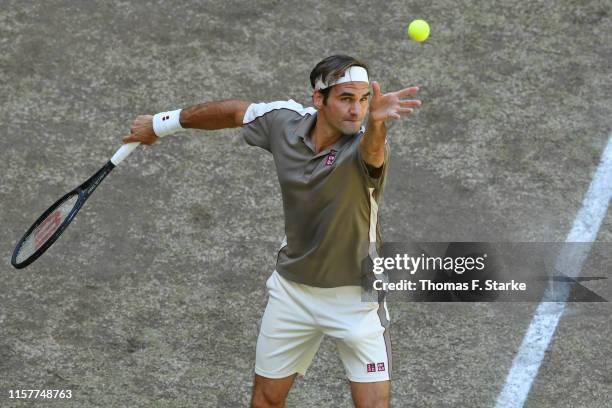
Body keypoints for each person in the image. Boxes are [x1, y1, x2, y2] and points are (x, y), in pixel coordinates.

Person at [123, 55, 421, 408]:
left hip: (355, 302)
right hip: (293, 292)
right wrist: (161, 124)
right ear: (318, 99)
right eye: (346, 99)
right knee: (265, 400)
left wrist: (377, 124)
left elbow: (373, 148)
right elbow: (235, 112)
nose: (357, 110)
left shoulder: (366, 147)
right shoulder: (284, 123)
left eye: (364, 100)